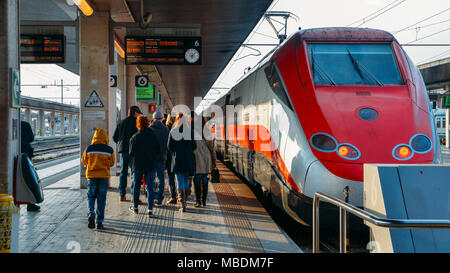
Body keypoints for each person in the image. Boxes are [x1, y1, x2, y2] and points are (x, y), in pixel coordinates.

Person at [81, 128, 115, 229]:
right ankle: (99, 222)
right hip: (103, 176)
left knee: (91, 196)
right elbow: (112, 163)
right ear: (105, 137)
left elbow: (84, 161)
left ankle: (91, 213)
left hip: (92, 176)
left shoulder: (89, 148)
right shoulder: (109, 149)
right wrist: (104, 165)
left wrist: (91, 165)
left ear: (94, 137)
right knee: (101, 199)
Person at [128, 115, 161, 217]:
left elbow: (131, 153)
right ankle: (150, 210)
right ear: (147, 123)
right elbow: (158, 150)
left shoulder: (134, 137)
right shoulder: (153, 135)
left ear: (138, 124)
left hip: (138, 165)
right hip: (150, 164)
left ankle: (135, 207)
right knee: (150, 187)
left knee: (136, 186)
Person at [167, 113, 197, 212]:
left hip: (177, 160)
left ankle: (182, 204)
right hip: (188, 160)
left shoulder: (173, 131)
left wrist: (175, 152)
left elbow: (169, 146)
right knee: (186, 180)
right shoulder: (190, 132)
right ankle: (186, 197)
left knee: (179, 181)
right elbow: (194, 146)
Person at [113, 105, 142, 201]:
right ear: (135, 113)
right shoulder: (137, 123)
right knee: (135, 173)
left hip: (123, 152)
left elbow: (114, 137)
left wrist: (121, 143)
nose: (139, 115)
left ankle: (122, 195)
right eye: (138, 113)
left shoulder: (121, 122)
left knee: (123, 173)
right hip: (134, 152)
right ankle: (135, 197)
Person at [193, 117, 216, 207]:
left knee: (197, 180)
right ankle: (204, 201)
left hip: (197, 158)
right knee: (205, 180)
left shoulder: (192, 132)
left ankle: (198, 201)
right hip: (206, 159)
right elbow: (212, 149)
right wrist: (214, 162)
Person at [149, 111, 170, 207]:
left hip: (151, 159)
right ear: (162, 118)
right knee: (161, 179)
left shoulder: (149, 129)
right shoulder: (166, 130)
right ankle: (160, 200)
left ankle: (152, 197)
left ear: (153, 119)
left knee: (151, 179)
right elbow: (168, 146)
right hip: (162, 158)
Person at [21, 120, 40, 212]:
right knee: (28, 178)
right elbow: (31, 139)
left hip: (12, 155)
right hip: (25, 155)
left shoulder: (9, 122)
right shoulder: (25, 124)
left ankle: (14, 202)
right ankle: (30, 204)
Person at [165, 113, 177, 204]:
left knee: (171, 177)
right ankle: (183, 194)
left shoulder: (166, 129)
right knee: (181, 177)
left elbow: (168, 146)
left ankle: (173, 196)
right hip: (179, 157)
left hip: (169, 158)